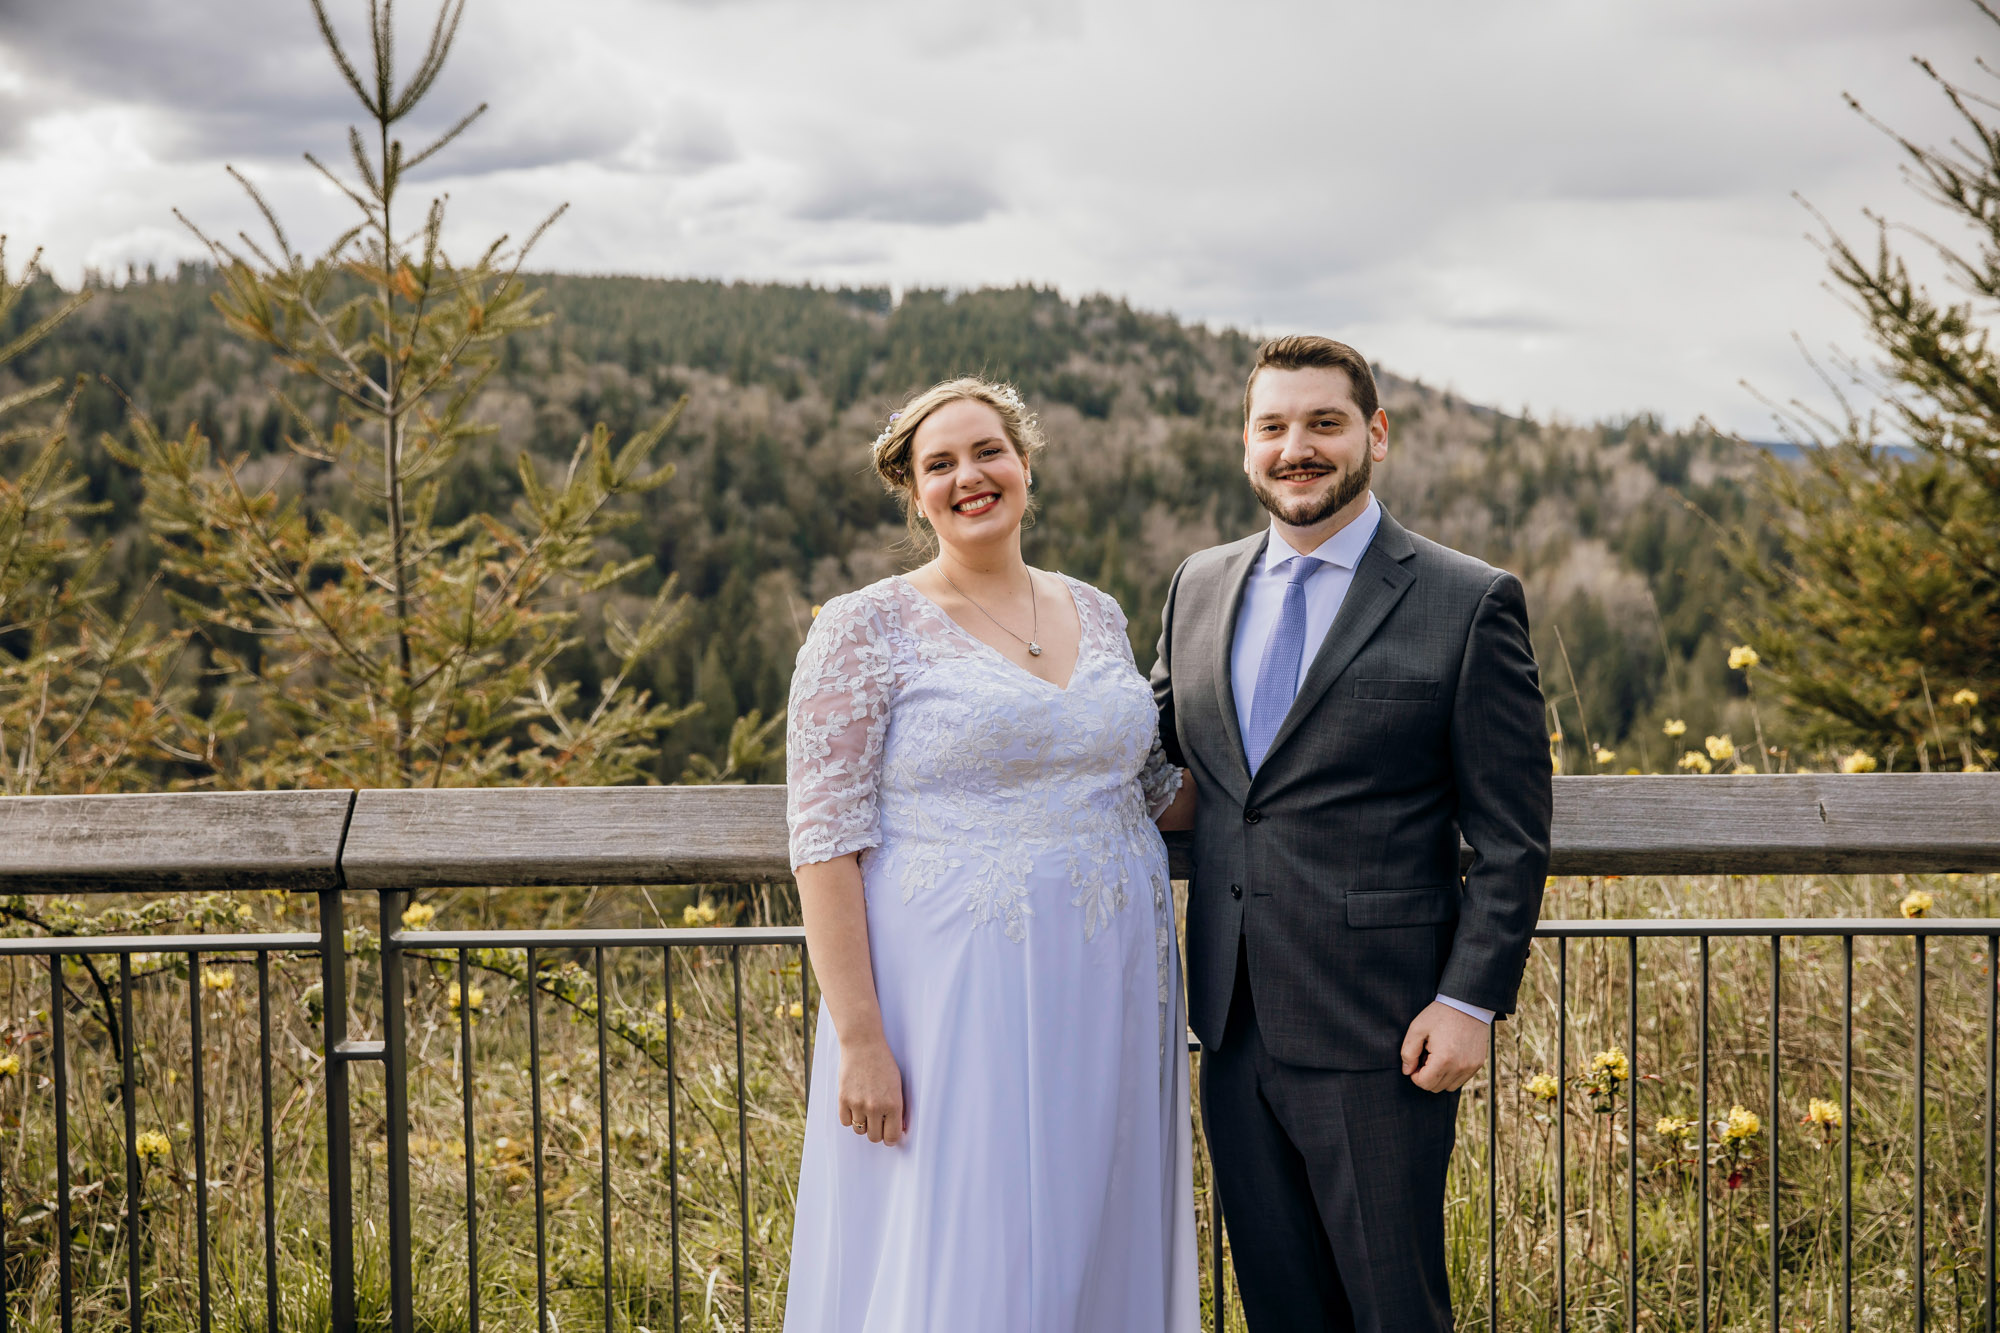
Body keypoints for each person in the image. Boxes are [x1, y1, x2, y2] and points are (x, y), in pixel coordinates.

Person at [1151, 335, 1551, 1332]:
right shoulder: (1195, 586)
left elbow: (1510, 836)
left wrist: (1466, 1001)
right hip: (1233, 1027)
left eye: (1323, 423)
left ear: (1374, 435)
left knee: (1392, 1308)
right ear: (1245, 446)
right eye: (1272, 427)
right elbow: (1150, 758)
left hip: (1385, 1031)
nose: (1297, 447)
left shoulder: (1465, 602)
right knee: (1280, 1308)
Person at [783, 376, 1198, 1331]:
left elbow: (1150, 789)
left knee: (1096, 1227)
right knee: (972, 1242)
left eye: (987, 452)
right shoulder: (863, 626)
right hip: (951, 1001)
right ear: (913, 491)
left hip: (1111, 990)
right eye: (941, 464)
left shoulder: (1095, 610)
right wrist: (860, 1039)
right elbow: (824, 841)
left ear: (1023, 464)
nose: (969, 476)